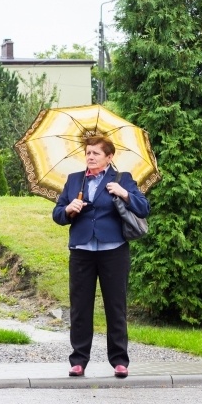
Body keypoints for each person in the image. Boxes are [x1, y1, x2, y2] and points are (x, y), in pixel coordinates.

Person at [52, 135, 150, 379]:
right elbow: (57, 214)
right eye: (88, 153)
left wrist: (124, 194)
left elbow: (143, 207)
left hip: (113, 251)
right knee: (80, 308)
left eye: (96, 153)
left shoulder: (122, 179)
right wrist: (68, 209)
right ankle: (78, 361)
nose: (91, 157)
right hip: (82, 251)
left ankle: (119, 361)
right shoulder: (75, 180)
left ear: (109, 157)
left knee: (115, 307)